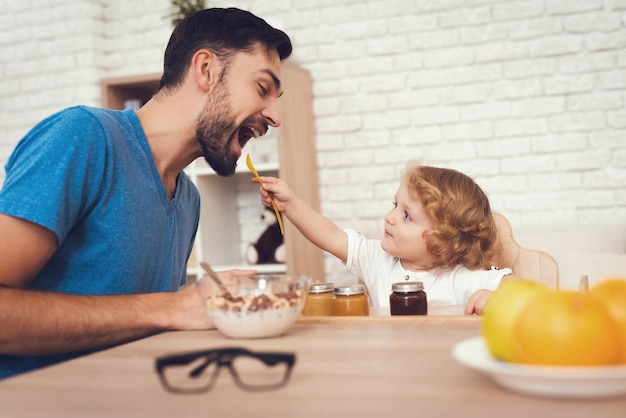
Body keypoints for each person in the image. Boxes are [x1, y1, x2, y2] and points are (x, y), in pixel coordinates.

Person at [0, 8, 292, 379]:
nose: (275, 117)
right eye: (263, 89)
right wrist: (171, 308)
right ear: (206, 70)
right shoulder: (83, 138)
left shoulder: (188, 199)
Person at [255, 162, 512, 315]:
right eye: (395, 205)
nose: (390, 217)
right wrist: (291, 206)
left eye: (407, 216)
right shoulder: (377, 258)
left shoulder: (459, 278)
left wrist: (496, 299)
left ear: (444, 239)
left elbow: (514, 288)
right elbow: (330, 236)